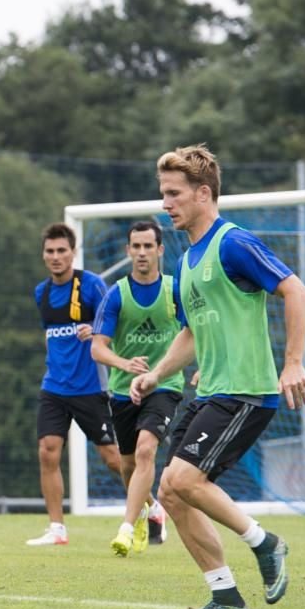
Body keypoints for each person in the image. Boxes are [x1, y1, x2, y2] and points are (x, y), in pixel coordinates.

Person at [130, 145, 305, 609]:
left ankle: (265, 543)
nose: (165, 204)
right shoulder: (187, 261)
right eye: (162, 195)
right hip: (211, 391)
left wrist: (293, 362)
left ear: (203, 193)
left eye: (173, 194)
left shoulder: (233, 243)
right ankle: (226, 596)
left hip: (246, 391)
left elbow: (296, 290)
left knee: (185, 479)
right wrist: (155, 375)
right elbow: (191, 332)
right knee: (170, 491)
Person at [91, 221, 183, 556]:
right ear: (128, 251)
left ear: (160, 250)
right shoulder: (116, 294)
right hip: (122, 391)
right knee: (127, 465)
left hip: (165, 385)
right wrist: (124, 365)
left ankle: (127, 528)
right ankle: (151, 509)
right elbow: (97, 347)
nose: (142, 252)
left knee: (146, 451)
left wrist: (199, 368)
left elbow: (196, 332)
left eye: (148, 246)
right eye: (136, 246)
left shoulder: (175, 290)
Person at [27, 222, 120, 546]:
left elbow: (115, 323)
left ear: (73, 253)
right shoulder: (42, 292)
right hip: (54, 388)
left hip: (90, 388)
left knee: (112, 458)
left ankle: (152, 508)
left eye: (61, 251)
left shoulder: (92, 285)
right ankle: (57, 529)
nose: (56, 257)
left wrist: (93, 331)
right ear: (44, 255)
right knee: (47, 452)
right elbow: (50, 337)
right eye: (50, 251)